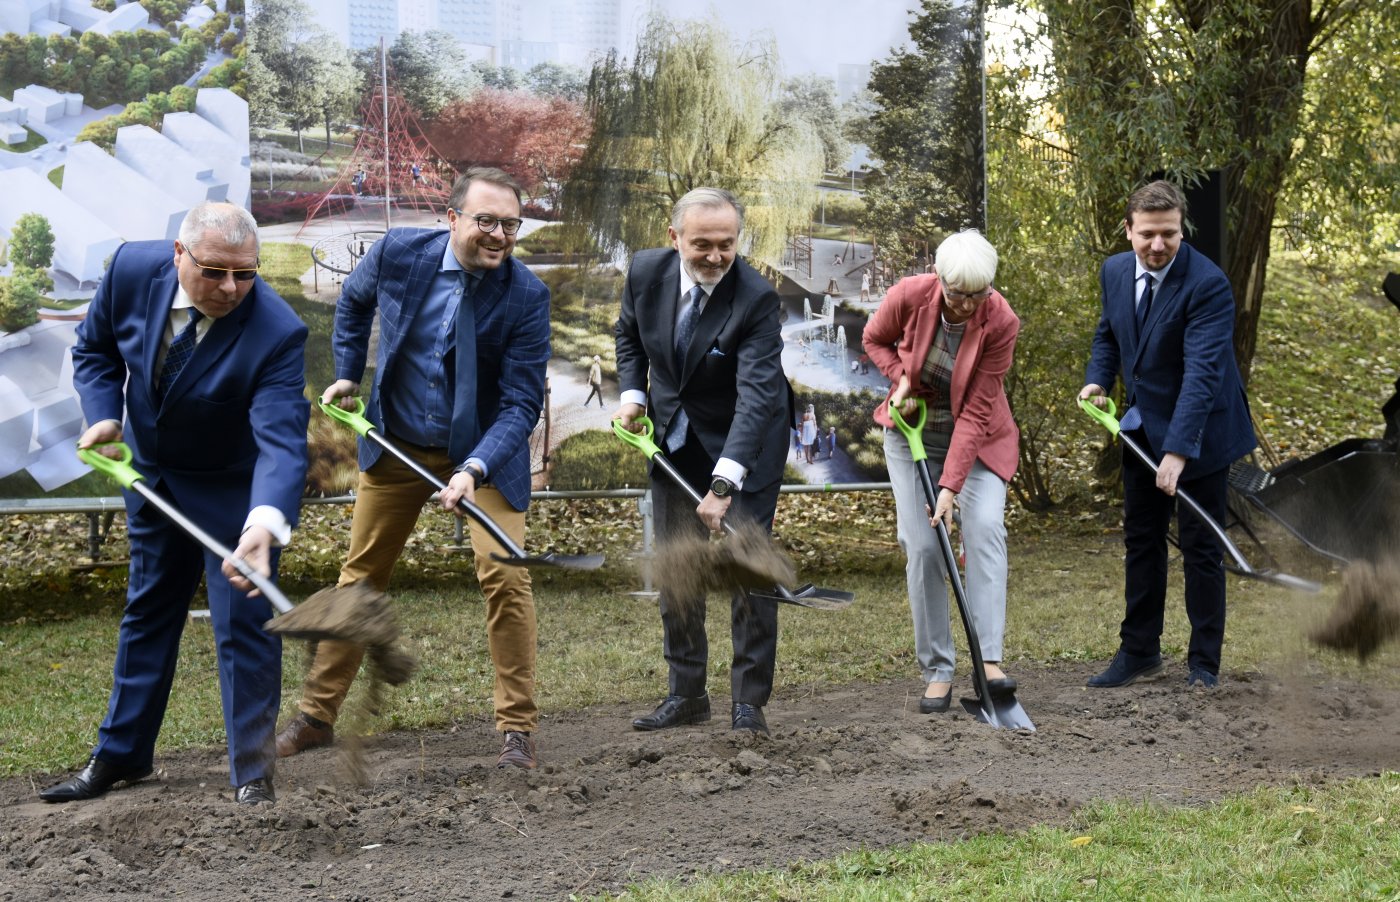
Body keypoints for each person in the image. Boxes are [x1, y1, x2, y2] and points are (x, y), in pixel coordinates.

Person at [276, 166, 551, 769]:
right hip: (397, 440)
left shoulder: (527, 295)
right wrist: (348, 369)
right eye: (485, 221)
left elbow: (520, 403)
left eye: (510, 224)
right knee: (361, 578)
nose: (499, 235)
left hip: (481, 453)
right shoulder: (401, 252)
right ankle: (317, 717)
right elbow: (353, 300)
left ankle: (516, 732)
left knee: (507, 576)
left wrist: (474, 468)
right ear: (451, 218)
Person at [44, 202, 309, 805]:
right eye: (214, 272)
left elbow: (281, 437)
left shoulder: (277, 329)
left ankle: (252, 776)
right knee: (148, 612)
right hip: (152, 477)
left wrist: (264, 523)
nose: (232, 288)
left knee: (245, 625)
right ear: (178, 255)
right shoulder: (131, 271)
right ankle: (121, 755)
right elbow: (96, 351)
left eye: (246, 273)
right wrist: (105, 416)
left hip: (231, 488)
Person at [614, 187, 792, 736]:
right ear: (674, 239)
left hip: (747, 446)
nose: (715, 256)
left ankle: (748, 703)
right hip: (675, 437)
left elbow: (757, 398)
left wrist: (724, 483)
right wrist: (633, 398)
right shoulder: (646, 272)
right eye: (702, 245)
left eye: (727, 245)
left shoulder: (756, 299)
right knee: (677, 566)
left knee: (748, 570)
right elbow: (629, 337)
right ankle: (687, 693)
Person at [1078, 180, 1254, 690]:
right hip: (1140, 428)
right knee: (1142, 540)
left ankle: (1203, 664)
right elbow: (1109, 333)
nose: (1158, 246)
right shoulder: (1114, 271)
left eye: (1170, 235)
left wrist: (1178, 451)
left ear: (1182, 231)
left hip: (1201, 429)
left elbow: (1201, 375)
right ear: (1129, 230)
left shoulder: (1208, 284)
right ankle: (1139, 652)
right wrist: (1098, 377)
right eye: (1149, 234)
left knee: (1200, 548)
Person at [862, 229, 1020, 715]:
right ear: (939, 277)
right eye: (957, 293)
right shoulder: (909, 295)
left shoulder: (1001, 320)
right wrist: (901, 377)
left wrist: (949, 488)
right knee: (924, 546)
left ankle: (988, 661)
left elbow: (975, 413)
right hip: (912, 432)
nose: (967, 305)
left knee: (985, 528)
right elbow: (874, 339)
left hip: (978, 439)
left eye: (978, 294)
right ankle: (938, 668)